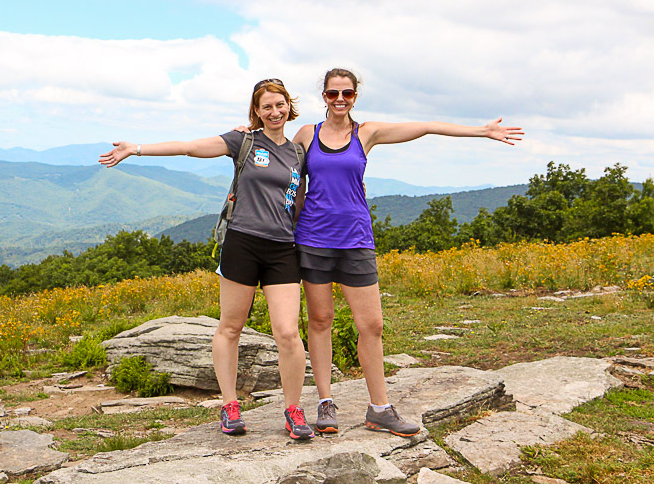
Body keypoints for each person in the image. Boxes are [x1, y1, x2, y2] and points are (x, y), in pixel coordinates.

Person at [293, 67, 523, 437]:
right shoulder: (307, 135)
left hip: (356, 238)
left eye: (347, 94)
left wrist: (482, 131)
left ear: (355, 96)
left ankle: (379, 408)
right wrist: (247, 136)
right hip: (313, 239)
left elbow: (427, 126)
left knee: (372, 325)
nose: (339, 100)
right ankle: (324, 403)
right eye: (333, 94)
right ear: (323, 96)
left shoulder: (366, 133)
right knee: (320, 322)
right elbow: (284, 173)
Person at [99, 79, 315, 439]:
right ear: (256, 112)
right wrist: (136, 149)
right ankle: (230, 405)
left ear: (289, 107)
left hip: (282, 248)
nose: (274, 112)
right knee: (230, 327)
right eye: (266, 107)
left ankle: (294, 410)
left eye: (280, 105)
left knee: (289, 333)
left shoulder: (297, 154)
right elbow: (190, 147)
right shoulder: (243, 141)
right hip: (242, 243)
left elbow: (302, 201)